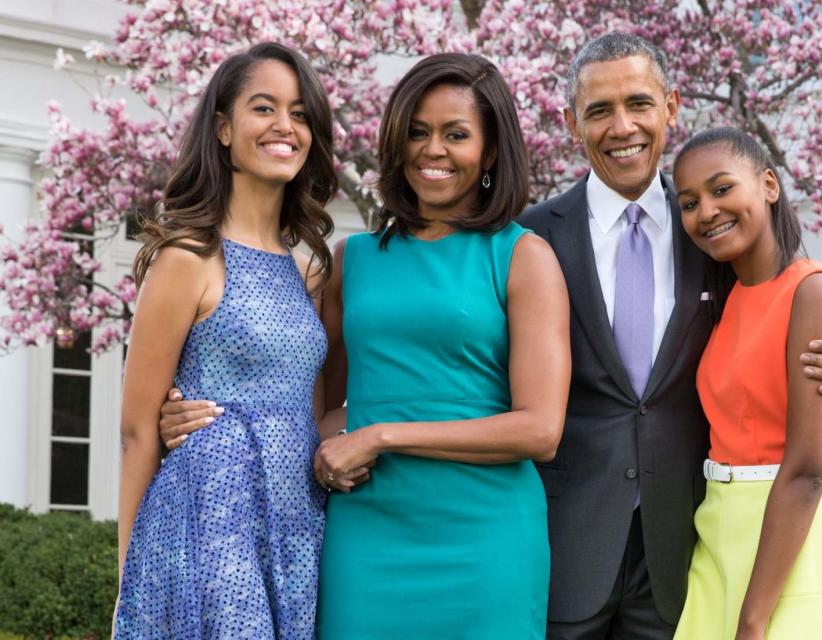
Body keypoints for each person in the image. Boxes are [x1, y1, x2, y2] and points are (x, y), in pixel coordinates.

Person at [157, 53, 570, 638]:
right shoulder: (350, 261)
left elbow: (540, 429)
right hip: (366, 537)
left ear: (492, 152)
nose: (434, 150)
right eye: (418, 132)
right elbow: (310, 408)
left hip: (487, 541)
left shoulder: (524, 257)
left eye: (456, 135)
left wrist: (379, 434)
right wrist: (204, 414)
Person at [516, 33, 822, 639]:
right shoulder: (531, 238)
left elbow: (781, 308)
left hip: (685, 551)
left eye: (639, 103)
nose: (622, 126)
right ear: (571, 124)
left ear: (672, 107)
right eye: (599, 110)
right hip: (567, 547)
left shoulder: (712, 230)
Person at [114, 43, 339, 639]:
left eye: (299, 113)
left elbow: (311, 411)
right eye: (263, 108)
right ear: (222, 128)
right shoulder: (188, 257)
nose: (284, 127)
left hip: (297, 524)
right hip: (208, 525)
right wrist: (129, 585)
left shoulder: (309, 272)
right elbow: (139, 430)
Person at [670, 127, 822, 639]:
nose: (706, 212)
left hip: (794, 542)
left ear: (768, 185)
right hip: (719, 537)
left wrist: (754, 619)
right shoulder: (723, 300)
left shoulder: (810, 290)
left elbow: (808, 468)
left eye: (722, 189)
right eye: (689, 202)